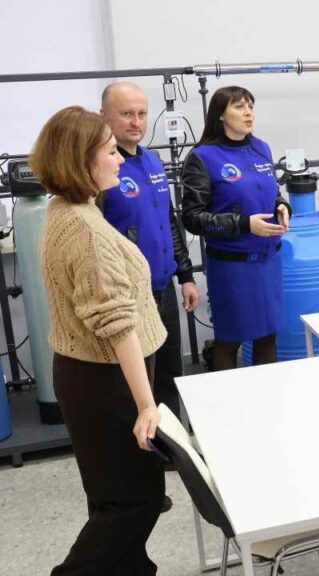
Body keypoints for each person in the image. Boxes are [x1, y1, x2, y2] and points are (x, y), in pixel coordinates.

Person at [34, 106, 167, 575]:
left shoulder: (69, 210)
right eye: (111, 151)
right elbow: (117, 326)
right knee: (134, 501)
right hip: (107, 379)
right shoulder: (86, 232)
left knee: (113, 498)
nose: (120, 159)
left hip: (94, 374)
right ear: (81, 161)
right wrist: (146, 405)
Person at [99, 81, 199, 420]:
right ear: (104, 116)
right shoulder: (99, 170)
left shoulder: (153, 161)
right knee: (138, 381)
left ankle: (172, 442)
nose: (136, 122)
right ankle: (142, 444)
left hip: (163, 289)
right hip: (128, 295)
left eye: (141, 114)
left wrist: (185, 275)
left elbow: (168, 221)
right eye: (126, 114)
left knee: (170, 373)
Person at [182, 86, 291, 370]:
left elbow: (272, 192)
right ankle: (226, 396)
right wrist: (243, 224)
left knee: (268, 336)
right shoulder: (202, 157)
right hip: (232, 266)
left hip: (268, 261)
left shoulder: (261, 148)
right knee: (230, 340)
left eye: (250, 106)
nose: (248, 113)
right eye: (239, 107)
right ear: (220, 114)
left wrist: (282, 206)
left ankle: (267, 394)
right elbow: (192, 217)